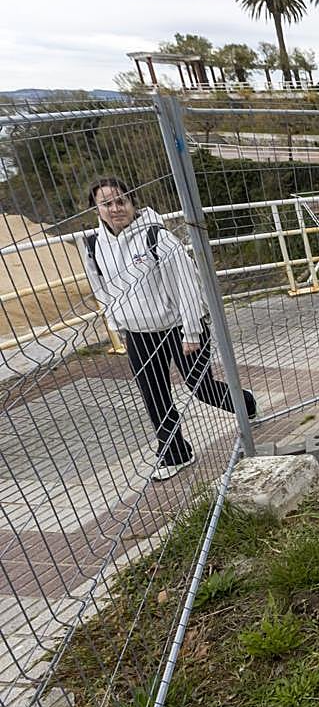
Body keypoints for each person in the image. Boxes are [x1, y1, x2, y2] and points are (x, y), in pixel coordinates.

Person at [81, 176, 256, 481]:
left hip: (178, 327)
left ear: (133, 202)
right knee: (154, 395)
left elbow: (188, 285)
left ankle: (247, 404)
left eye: (121, 200)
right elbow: (102, 290)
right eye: (106, 203)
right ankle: (175, 452)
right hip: (138, 333)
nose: (115, 208)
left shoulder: (157, 237)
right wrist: (117, 325)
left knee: (200, 387)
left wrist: (190, 331)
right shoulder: (94, 246)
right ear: (96, 209)